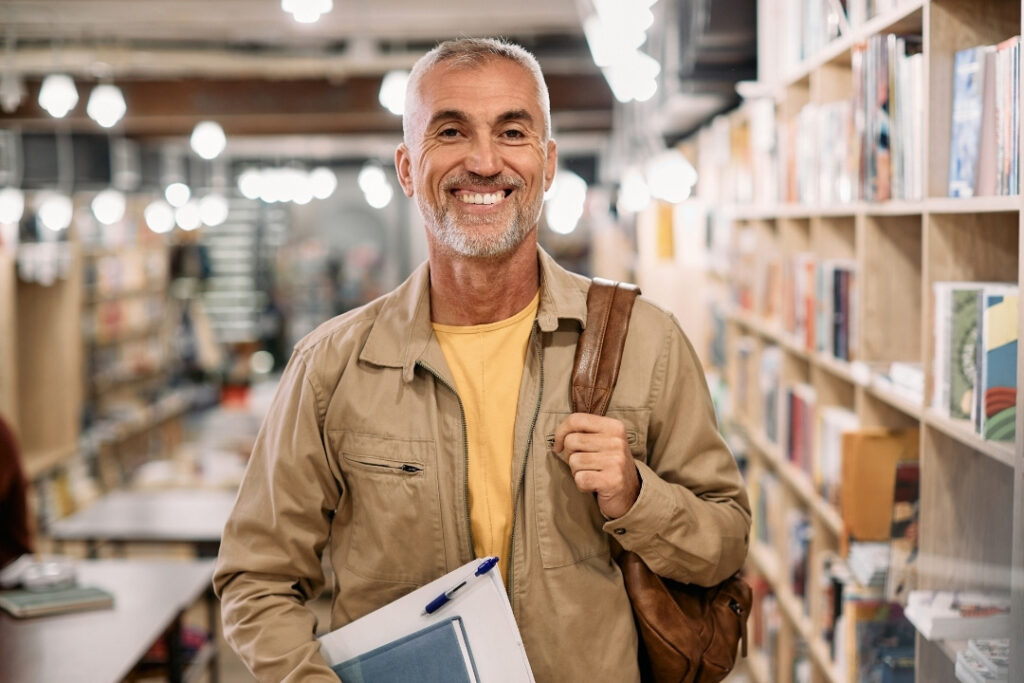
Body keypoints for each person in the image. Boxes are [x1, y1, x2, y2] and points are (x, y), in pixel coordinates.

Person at [213, 37, 750, 682]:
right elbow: (258, 577)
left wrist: (637, 496)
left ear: (547, 164)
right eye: (450, 131)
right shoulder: (333, 366)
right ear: (409, 167)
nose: (485, 160)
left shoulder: (645, 342)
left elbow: (725, 543)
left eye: (513, 132)